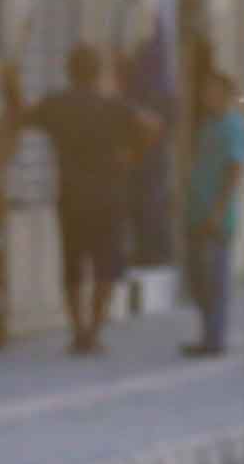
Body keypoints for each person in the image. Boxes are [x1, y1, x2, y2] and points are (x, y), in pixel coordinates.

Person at [23, 41, 157, 357]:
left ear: (69, 72)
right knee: (105, 267)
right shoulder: (112, 106)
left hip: (70, 196)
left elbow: (24, 116)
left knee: (72, 266)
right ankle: (94, 332)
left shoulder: (56, 105)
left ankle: (78, 331)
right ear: (98, 73)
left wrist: (12, 79)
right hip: (109, 197)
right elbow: (153, 125)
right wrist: (133, 155)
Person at [181, 62, 244, 358]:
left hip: (216, 219)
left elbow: (235, 169)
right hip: (196, 213)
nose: (207, 95)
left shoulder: (234, 126)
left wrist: (218, 212)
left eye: (213, 90)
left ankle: (214, 339)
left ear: (226, 94)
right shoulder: (207, 125)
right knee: (198, 279)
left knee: (214, 280)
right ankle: (207, 333)